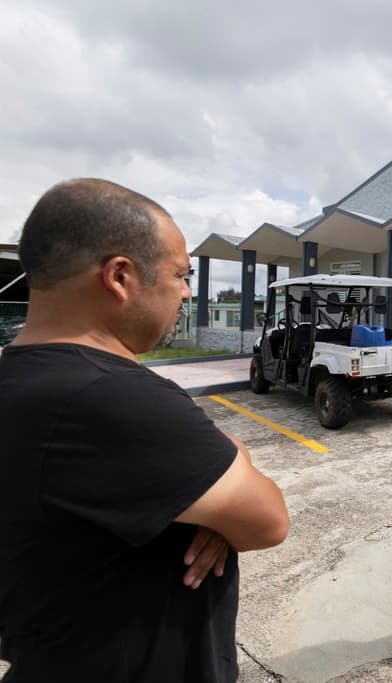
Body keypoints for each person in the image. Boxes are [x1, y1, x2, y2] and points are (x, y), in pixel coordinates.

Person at [0, 179, 289, 682]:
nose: (186, 291)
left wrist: (210, 489)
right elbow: (267, 520)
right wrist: (226, 487)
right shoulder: (114, 400)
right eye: (181, 274)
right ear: (120, 276)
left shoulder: (21, 379)